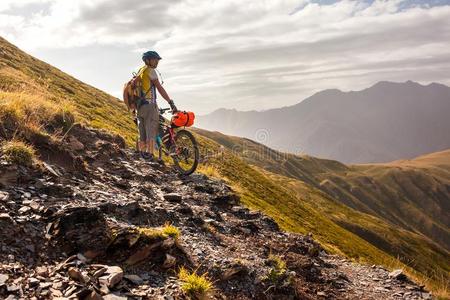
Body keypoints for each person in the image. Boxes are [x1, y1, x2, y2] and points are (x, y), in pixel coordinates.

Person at [136, 50, 177, 161]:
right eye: (155, 60)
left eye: (157, 60)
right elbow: (159, 88)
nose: (157, 62)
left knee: (142, 133)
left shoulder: (141, 71)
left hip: (139, 107)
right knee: (152, 131)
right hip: (150, 105)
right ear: (148, 60)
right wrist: (170, 102)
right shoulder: (150, 71)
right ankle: (149, 157)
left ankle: (143, 157)